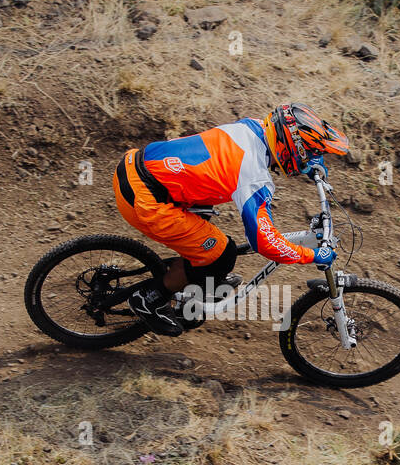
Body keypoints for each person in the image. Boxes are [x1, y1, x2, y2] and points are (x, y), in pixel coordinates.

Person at [114, 103, 349, 335]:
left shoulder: (254, 128)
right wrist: (311, 255)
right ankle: (149, 298)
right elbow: (263, 241)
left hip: (137, 166)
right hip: (145, 200)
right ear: (290, 148)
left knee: (208, 229)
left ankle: (196, 275)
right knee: (221, 255)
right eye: (307, 154)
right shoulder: (253, 175)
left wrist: (304, 164)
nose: (309, 159)